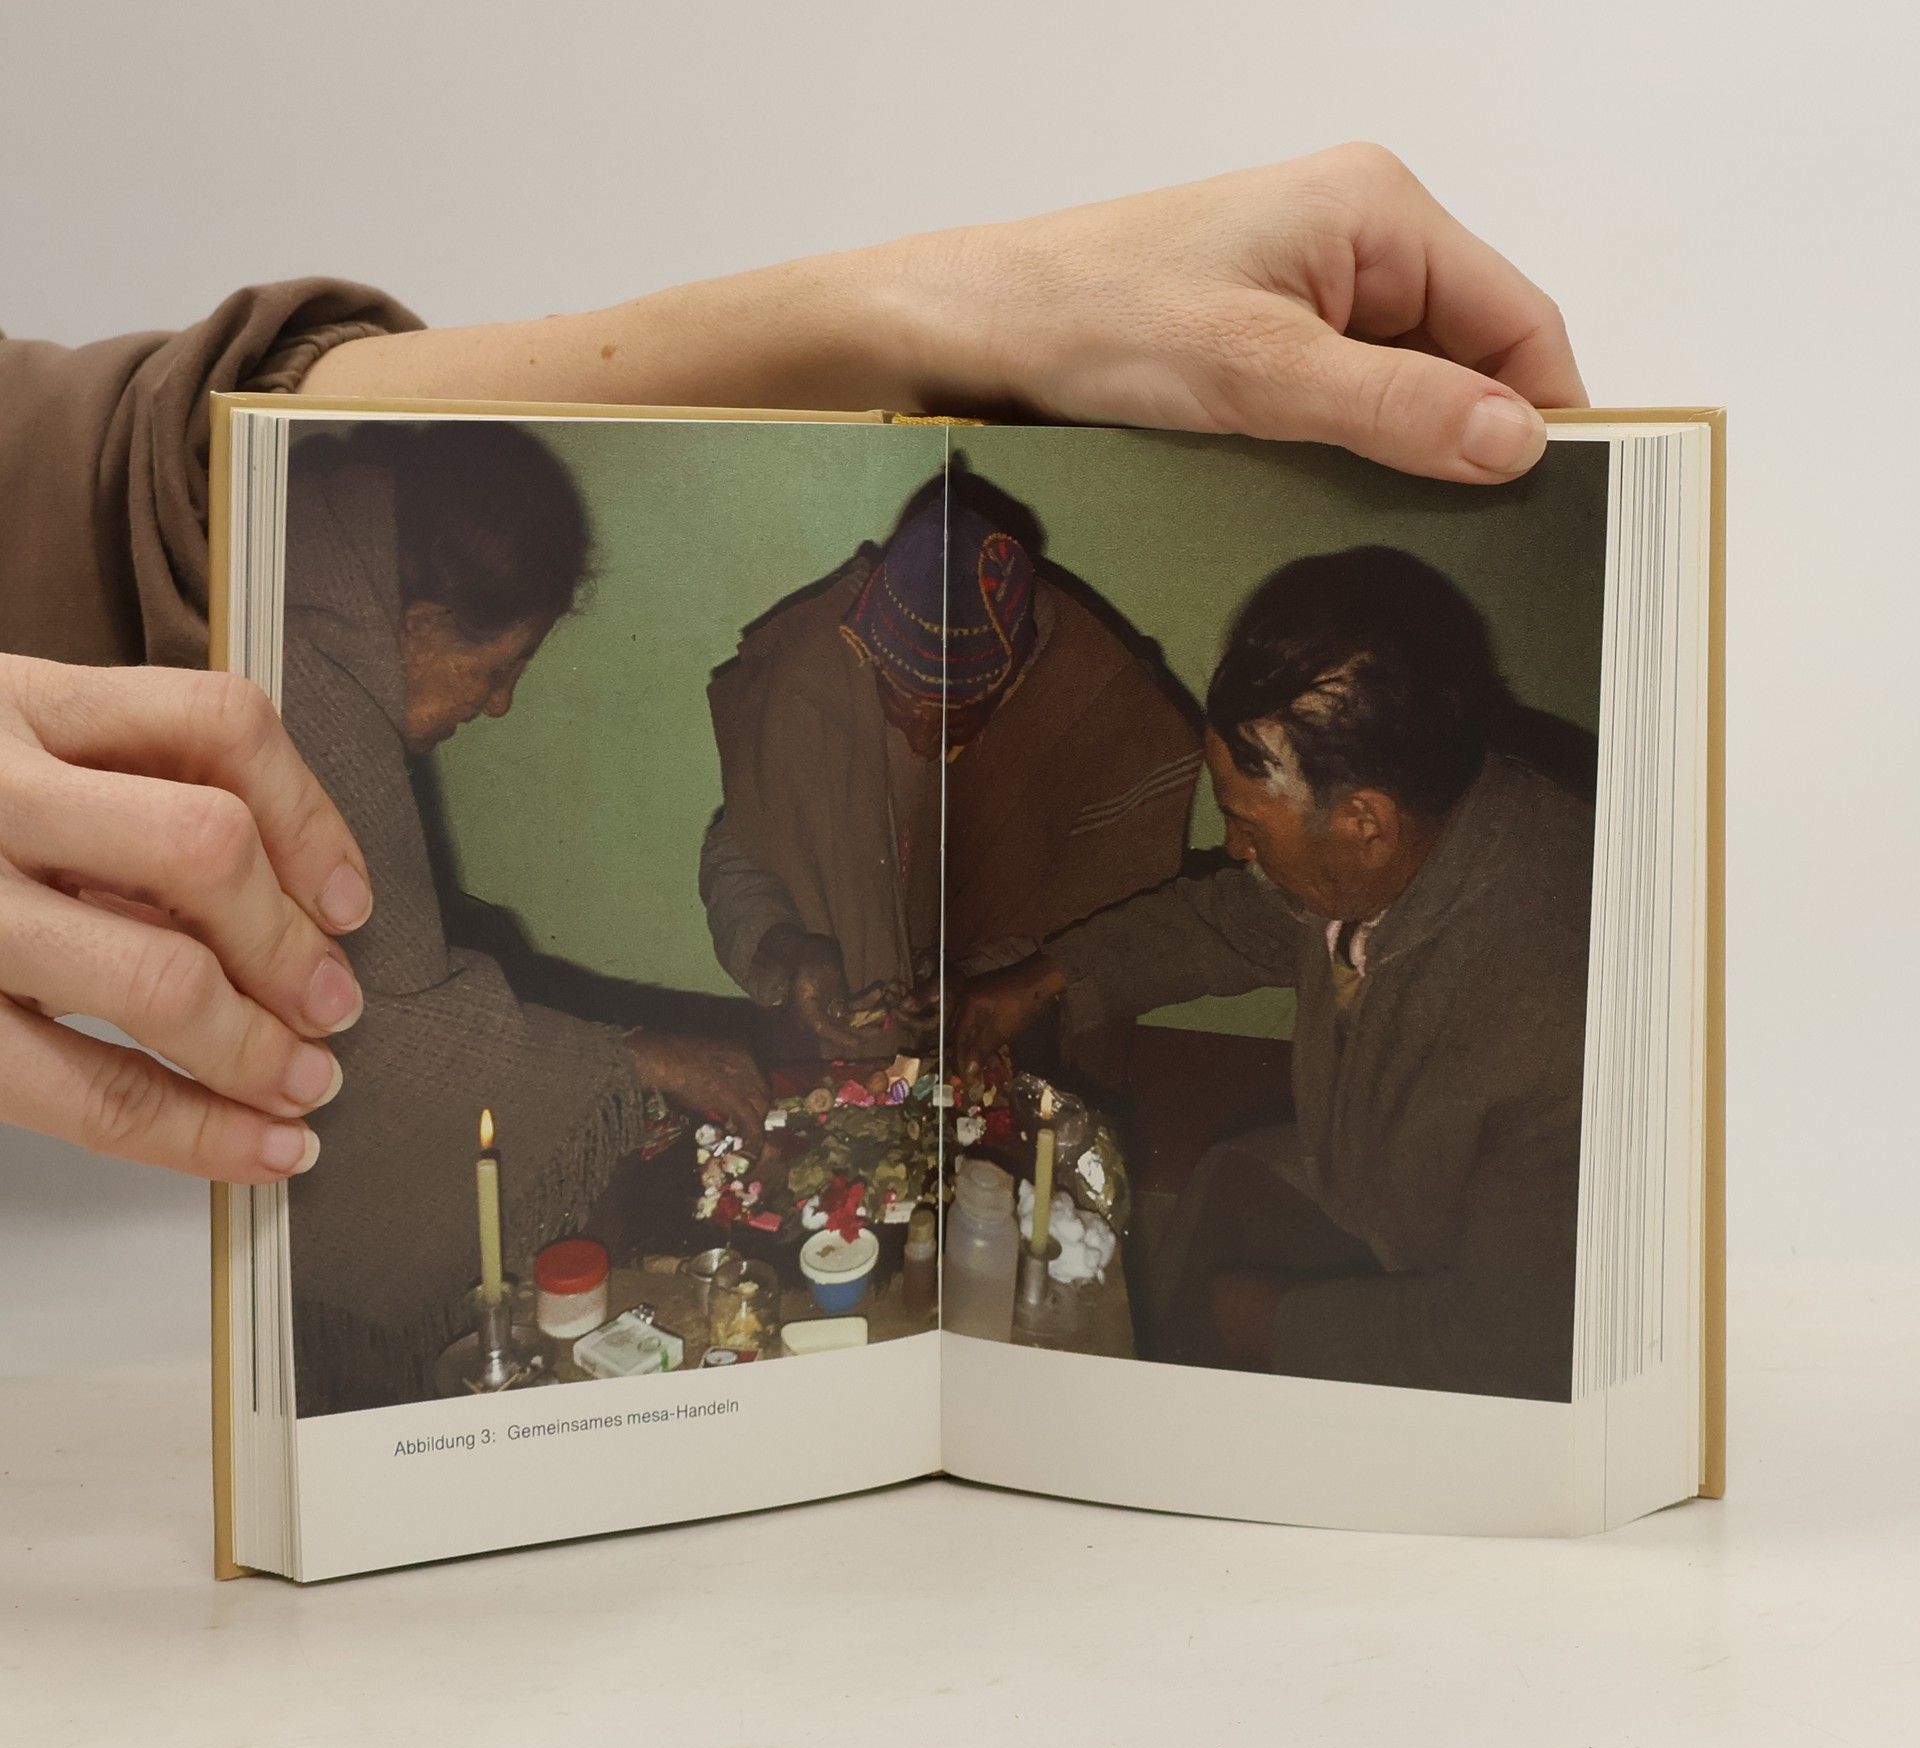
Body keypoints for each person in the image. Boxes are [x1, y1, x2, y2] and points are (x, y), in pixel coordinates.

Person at [0, 145, 1586, 1190]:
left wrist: (991, 1003)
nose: (906, 720)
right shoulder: (791, 677)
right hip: (829, 1054)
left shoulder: (1131, 730)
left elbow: (1161, 930)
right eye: (887, 690)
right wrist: (794, 970)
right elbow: (737, 849)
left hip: (1027, 1076)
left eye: (948, 707)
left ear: (1021, 676)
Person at [951, 548, 1595, 1402]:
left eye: (1248, 823)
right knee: (1225, 1188)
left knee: (1222, 1314)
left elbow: (1516, 1346)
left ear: (1364, 822)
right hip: (1375, 1182)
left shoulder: (1559, 1028)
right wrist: (1048, 978)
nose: (1234, 848)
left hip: (1495, 1343)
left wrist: (1279, 1322)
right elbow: (1234, 920)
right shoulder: (1412, 826)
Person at [271, 421, 768, 1408]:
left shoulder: (316, 598)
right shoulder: (306, 696)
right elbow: (375, 1034)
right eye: (498, 668)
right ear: (417, 626)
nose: (498, 705)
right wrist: (629, 1061)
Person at [699, 477, 1201, 1054]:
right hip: (843, 1053)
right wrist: (791, 954)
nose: (921, 741)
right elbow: (740, 858)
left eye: (950, 720)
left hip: (1017, 1041)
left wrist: (979, 978)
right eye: (901, 705)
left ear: (1012, 681)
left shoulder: (1089, 707)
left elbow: (1115, 923)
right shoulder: (816, 676)